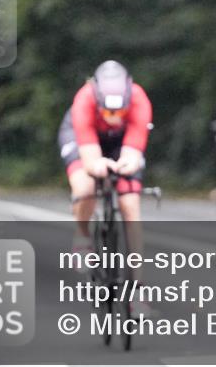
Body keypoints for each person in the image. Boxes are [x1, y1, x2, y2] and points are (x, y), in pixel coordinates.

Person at [58, 61, 152, 285]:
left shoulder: (138, 99)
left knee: (130, 203)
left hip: (120, 140)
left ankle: (137, 286)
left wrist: (125, 165)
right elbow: (91, 161)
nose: (114, 117)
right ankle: (82, 234)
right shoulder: (85, 99)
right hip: (83, 136)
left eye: (120, 111)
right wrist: (97, 166)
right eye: (108, 111)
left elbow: (133, 154)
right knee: (85, 187)